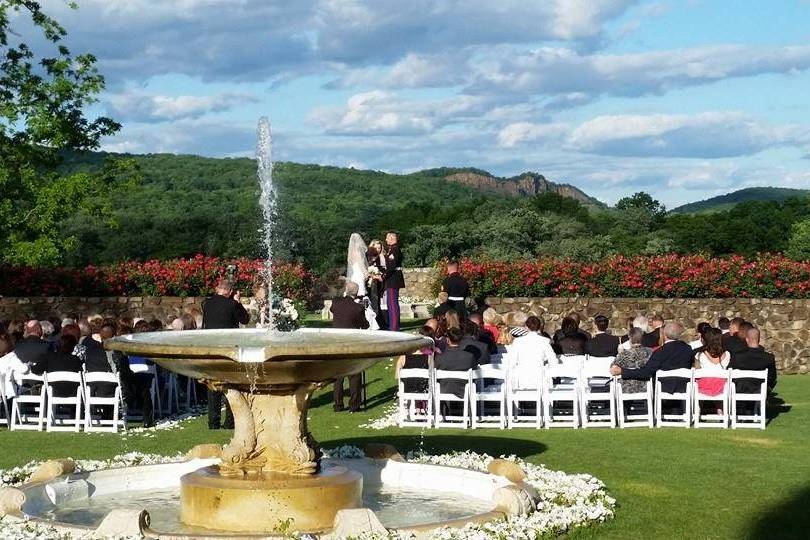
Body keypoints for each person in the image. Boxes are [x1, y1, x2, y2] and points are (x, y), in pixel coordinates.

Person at [202, 279, 249, 429]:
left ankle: (213, 422)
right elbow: (245, 320)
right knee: (230, 383)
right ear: (229, 292)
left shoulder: (206, 303)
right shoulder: (231, 304)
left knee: (212, 384)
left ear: (217, 289)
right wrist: (237, 302)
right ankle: (230, 421)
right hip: (228, 349)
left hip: (211, 348)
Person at [610, 322, 693, 393]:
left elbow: (646, 373)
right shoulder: (688, 349)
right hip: (684, 387)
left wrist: (622, 371)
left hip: (663, 389)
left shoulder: (660, 351)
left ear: (664, 335)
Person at [331, 282, 369, 412]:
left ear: (346, 290)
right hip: (352, 344)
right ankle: (354, 404)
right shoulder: (357, 308)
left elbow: (334, 309)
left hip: (337, 343)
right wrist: (361, 307)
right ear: (357, 293)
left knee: (338, 375)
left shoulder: (336, 303)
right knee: (354, 374)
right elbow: (365, 325)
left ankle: (338, 404)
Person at [509, 316, 558, 390]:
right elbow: (553, 360)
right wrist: (552, 375)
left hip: (522, 380)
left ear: (526, 327)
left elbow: (512, 362)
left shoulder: (517, 341)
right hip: (540, 380)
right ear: (539, 327)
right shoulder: (544, 341)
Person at [727, 327, 777, 394]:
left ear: (747, 339)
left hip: (740, 391)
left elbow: (729, 373)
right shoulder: (769, 358)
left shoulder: (737, 357)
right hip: (760, 391)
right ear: (759, 340)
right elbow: (772, 378)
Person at [435, 328, 476, 399]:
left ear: (447, 340)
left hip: (443, 390)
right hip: (463, 391)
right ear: (461, 340)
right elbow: (474, 372)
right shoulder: (469, 356)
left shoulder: (439, 357)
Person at [611, 327, 652, 394]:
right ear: (642, 338)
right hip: (644, 387)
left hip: (626, 389)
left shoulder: (624, 354)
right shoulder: (649, 352)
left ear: (629, 337)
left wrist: (619, 354)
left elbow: (612, 369)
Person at [693, 328, 729, 398]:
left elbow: (696, 373)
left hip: (703, 388)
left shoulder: (699, 355)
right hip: (722, 388)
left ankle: (699, 407)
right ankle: (720, 408)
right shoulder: (727, 354)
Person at [0, 331, 29, 412]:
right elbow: (24, 369)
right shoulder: (11, 357)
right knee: (27, 388)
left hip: (2, 393)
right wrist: (28, 365)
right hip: (7, 393)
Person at [382, 231, 404, 331]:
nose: (386, 240)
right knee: (391, 303)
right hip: (393, 278)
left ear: (392, 238)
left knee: (392, 304)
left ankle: (394, 327)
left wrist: (383, 276)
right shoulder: (393, 249)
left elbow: (391, 266)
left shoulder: (395, 250)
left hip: (393, 278)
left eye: (387, 238)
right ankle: (394, 325)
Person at [366, 239, 385, 326]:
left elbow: (384, 269)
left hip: (378, 283)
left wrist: (377, 274)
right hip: (368, 283)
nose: (378, 249)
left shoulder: (381, 257)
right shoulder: (367, 257)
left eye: (379, 248)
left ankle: (378, 321)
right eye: (376, 247)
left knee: (376, 302)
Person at [346, 233, 369, 297]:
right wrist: (366, 273)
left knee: (354, 293)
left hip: (354, 275)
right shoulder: (358, 252)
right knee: (361, 292)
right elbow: (361, 264)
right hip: (359, 274)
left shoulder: (351, 253)